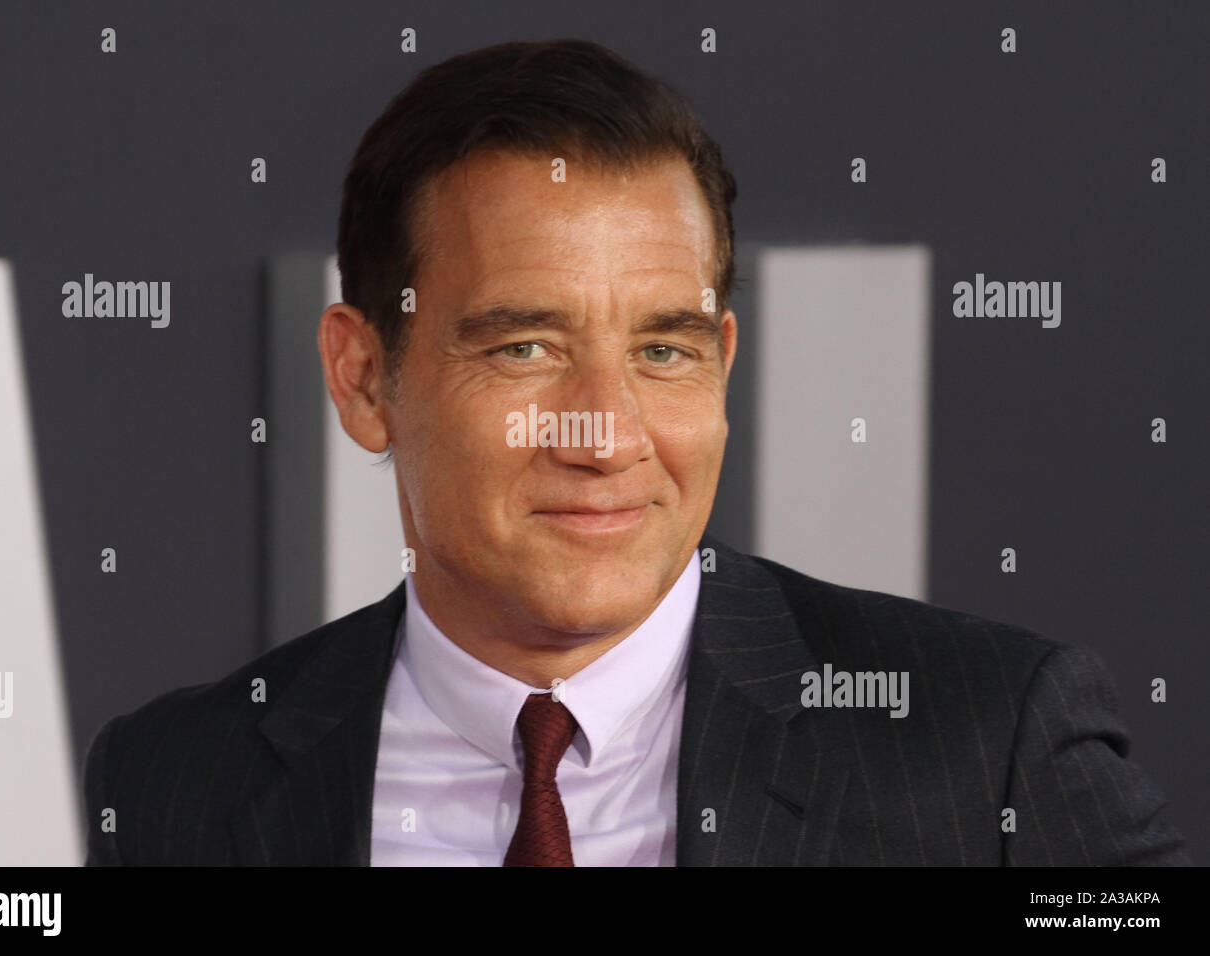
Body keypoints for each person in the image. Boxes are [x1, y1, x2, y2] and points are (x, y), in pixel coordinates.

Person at [82, 38, 1188, 866]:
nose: (606, 434)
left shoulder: (989, 741)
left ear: (724, 362)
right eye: (524, 345)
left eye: (663, 350)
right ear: (364, 377)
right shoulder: (180, 782)